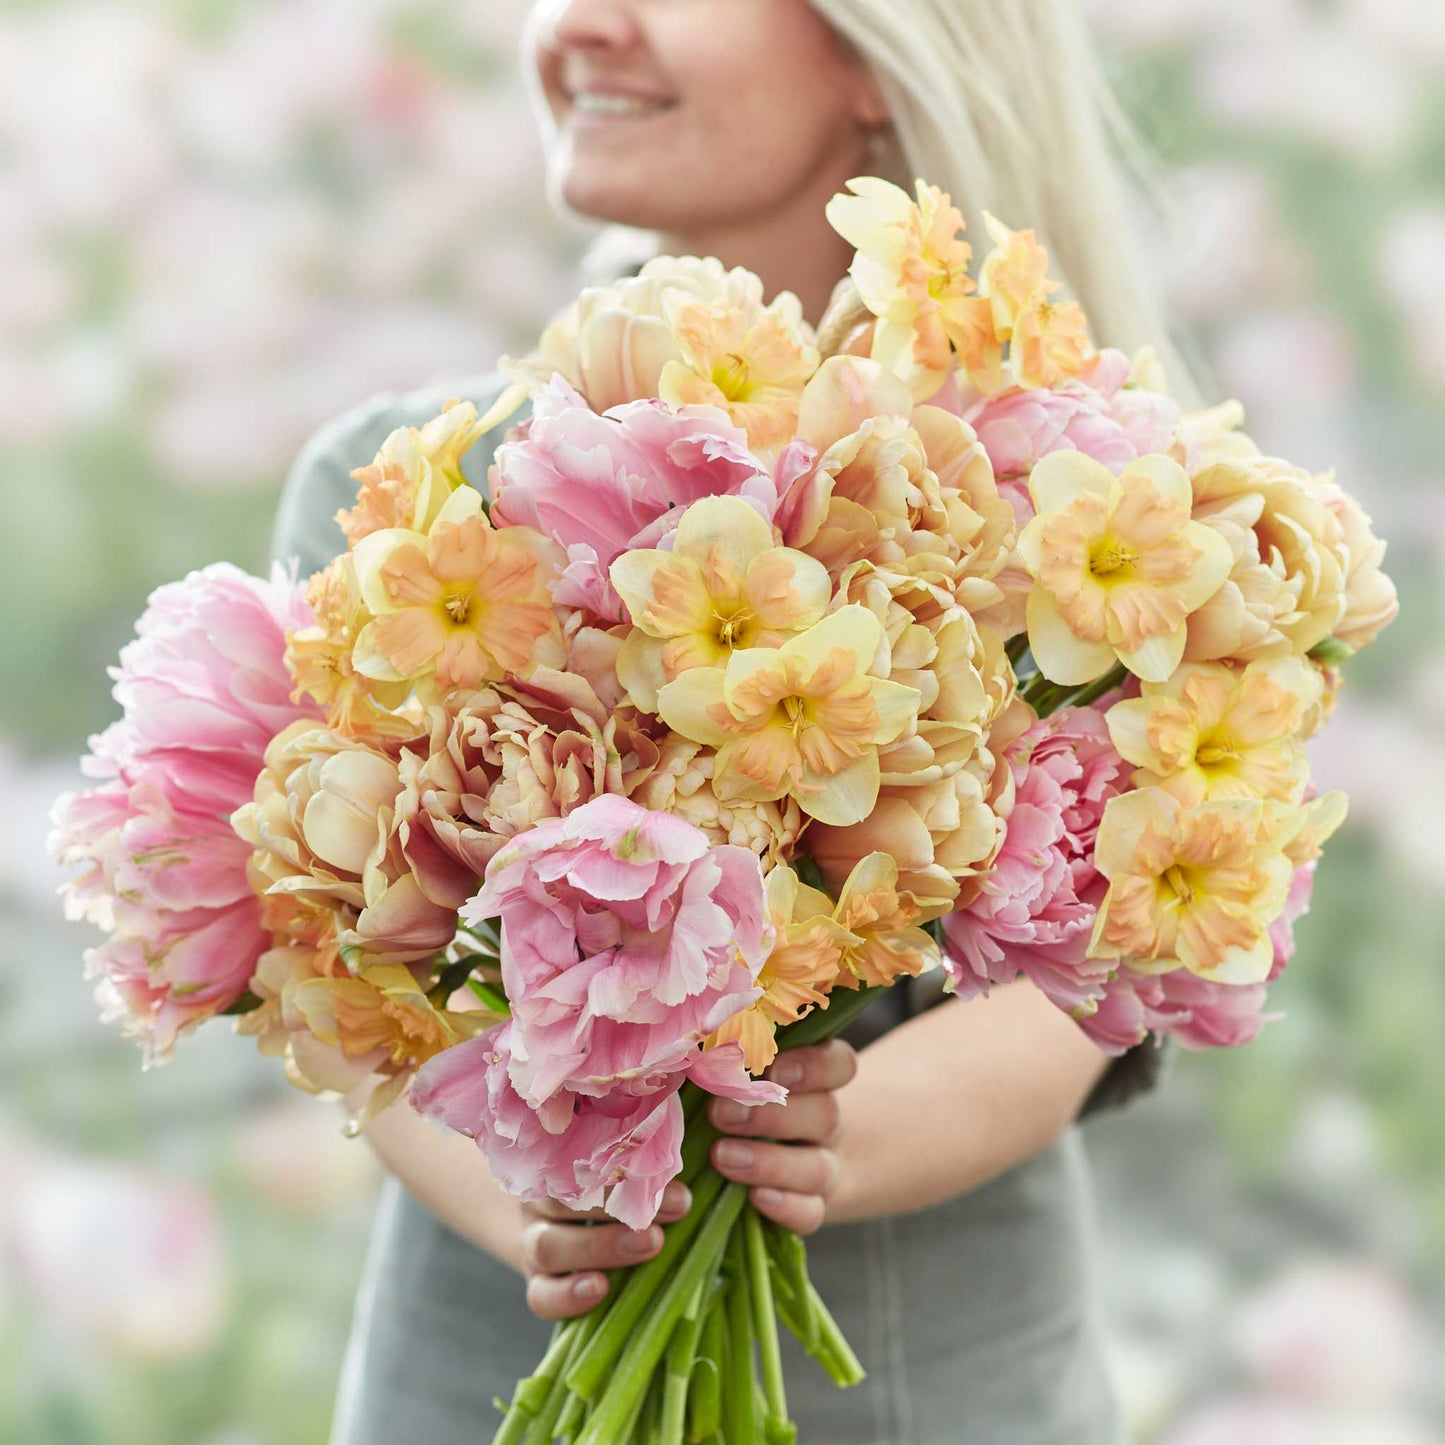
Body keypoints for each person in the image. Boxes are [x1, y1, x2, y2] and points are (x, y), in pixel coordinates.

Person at [272, 2, 1179, 1440]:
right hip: (475, 1372)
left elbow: (1094, 976)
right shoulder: (407, 495)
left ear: (881, 61)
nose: (575, 25)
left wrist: (839, 1135)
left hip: (915, 1381)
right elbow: (335, 976)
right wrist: (521, 1188)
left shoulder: (1072, 510)